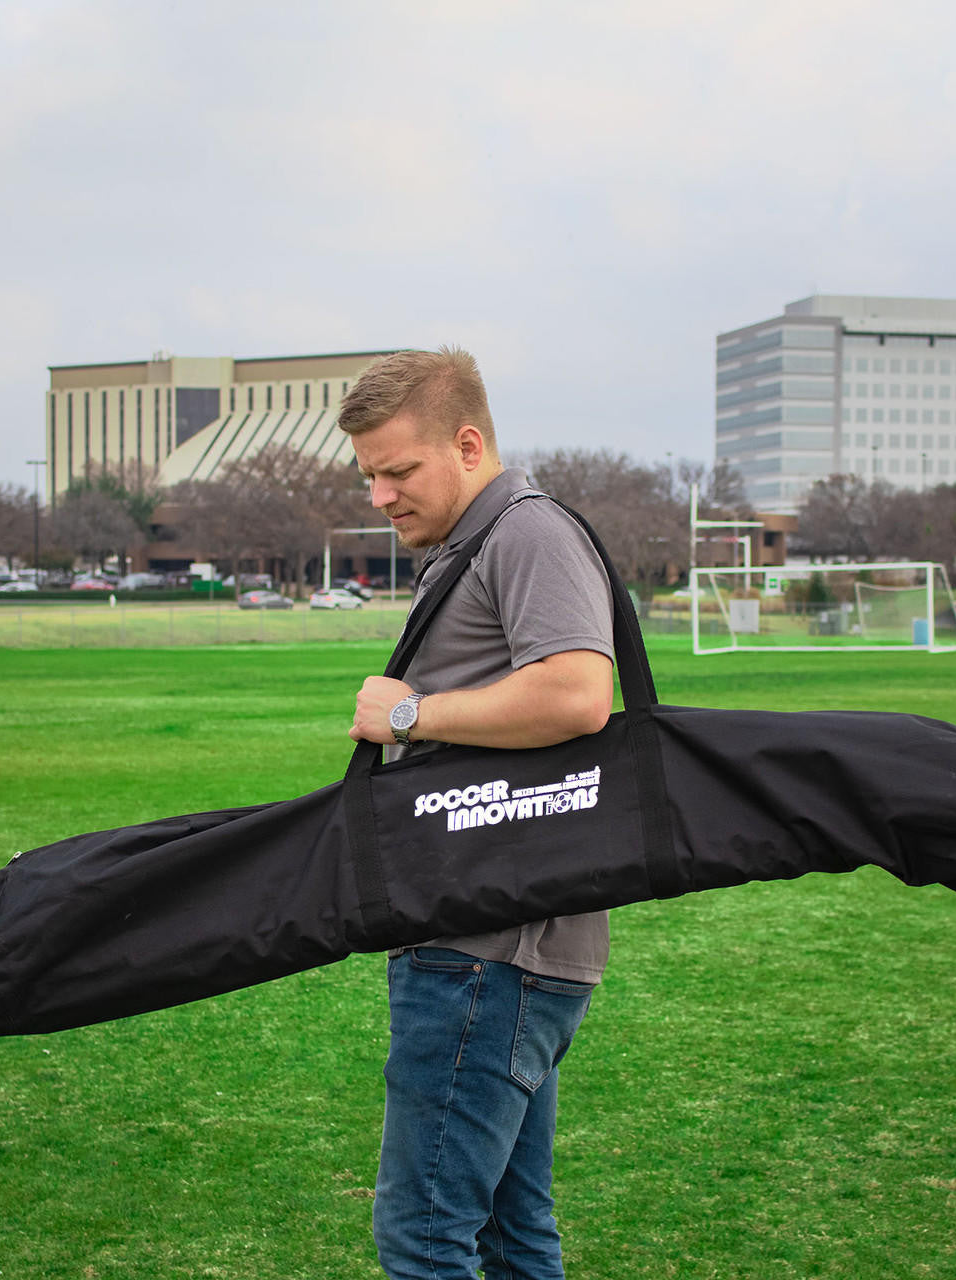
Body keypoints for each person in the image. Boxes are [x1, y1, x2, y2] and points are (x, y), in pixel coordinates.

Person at [340, 346, 615, 1279]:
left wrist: (410, 714)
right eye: (370, 474)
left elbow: (579, 694)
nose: (380, 495)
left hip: (491, 952)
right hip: (488, 940)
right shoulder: (474, 543)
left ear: (468, 444)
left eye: (399, 470)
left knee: (424, 1240)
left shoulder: (524, 533)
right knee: (509, 1232)